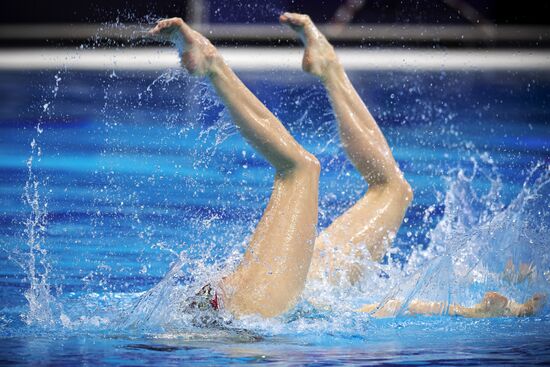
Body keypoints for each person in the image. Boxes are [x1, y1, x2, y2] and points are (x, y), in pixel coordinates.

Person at [148, 13, 545, 319]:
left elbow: (379, 308)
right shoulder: (262, 317)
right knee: (300, 169)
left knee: (393, 190)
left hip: (250, 305)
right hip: (243, 312)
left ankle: (329, 68)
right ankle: (211, 66)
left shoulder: (279, 305)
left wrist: (467, 312)